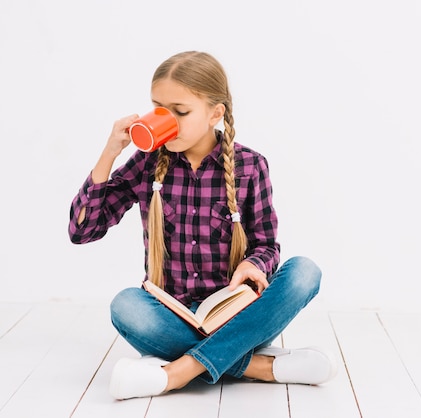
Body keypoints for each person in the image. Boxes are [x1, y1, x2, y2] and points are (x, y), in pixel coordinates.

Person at [68, 51, 337, 400]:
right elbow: (82, 231)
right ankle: (258, 366)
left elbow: (267, 245)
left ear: (215, 113)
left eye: (180, 112)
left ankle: (178, 372)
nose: (168, 121)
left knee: (304, 272)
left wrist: (252, 265)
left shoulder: (250, 165)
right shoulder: (147, 164)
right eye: (159, 110)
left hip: (239, 316)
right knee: (125, 305)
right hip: (174, 319)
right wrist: (110, 152)